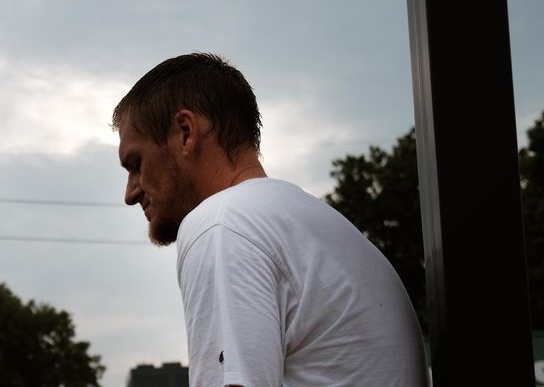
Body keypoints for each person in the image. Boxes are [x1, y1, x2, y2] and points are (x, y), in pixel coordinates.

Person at [112, 53, 426, 386]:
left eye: (135, 163)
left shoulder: (222, 225)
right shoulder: (317, 226)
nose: (130, 194)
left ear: (186, 132)